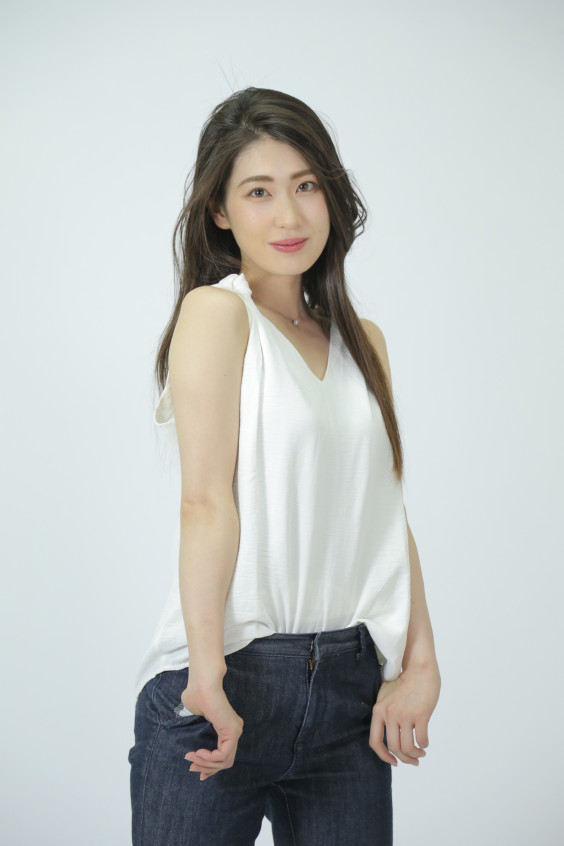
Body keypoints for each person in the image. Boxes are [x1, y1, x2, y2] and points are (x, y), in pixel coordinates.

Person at [128, 87, 441, 846]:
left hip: (349, 693)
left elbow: (384, 515)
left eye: (305, 185)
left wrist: (421, 664)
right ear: (220, 211)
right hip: (228, 680)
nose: (290, 215)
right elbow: (206, 502)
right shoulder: (219, 312)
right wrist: (207, 673)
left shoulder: (364, 342)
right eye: (259, 192)